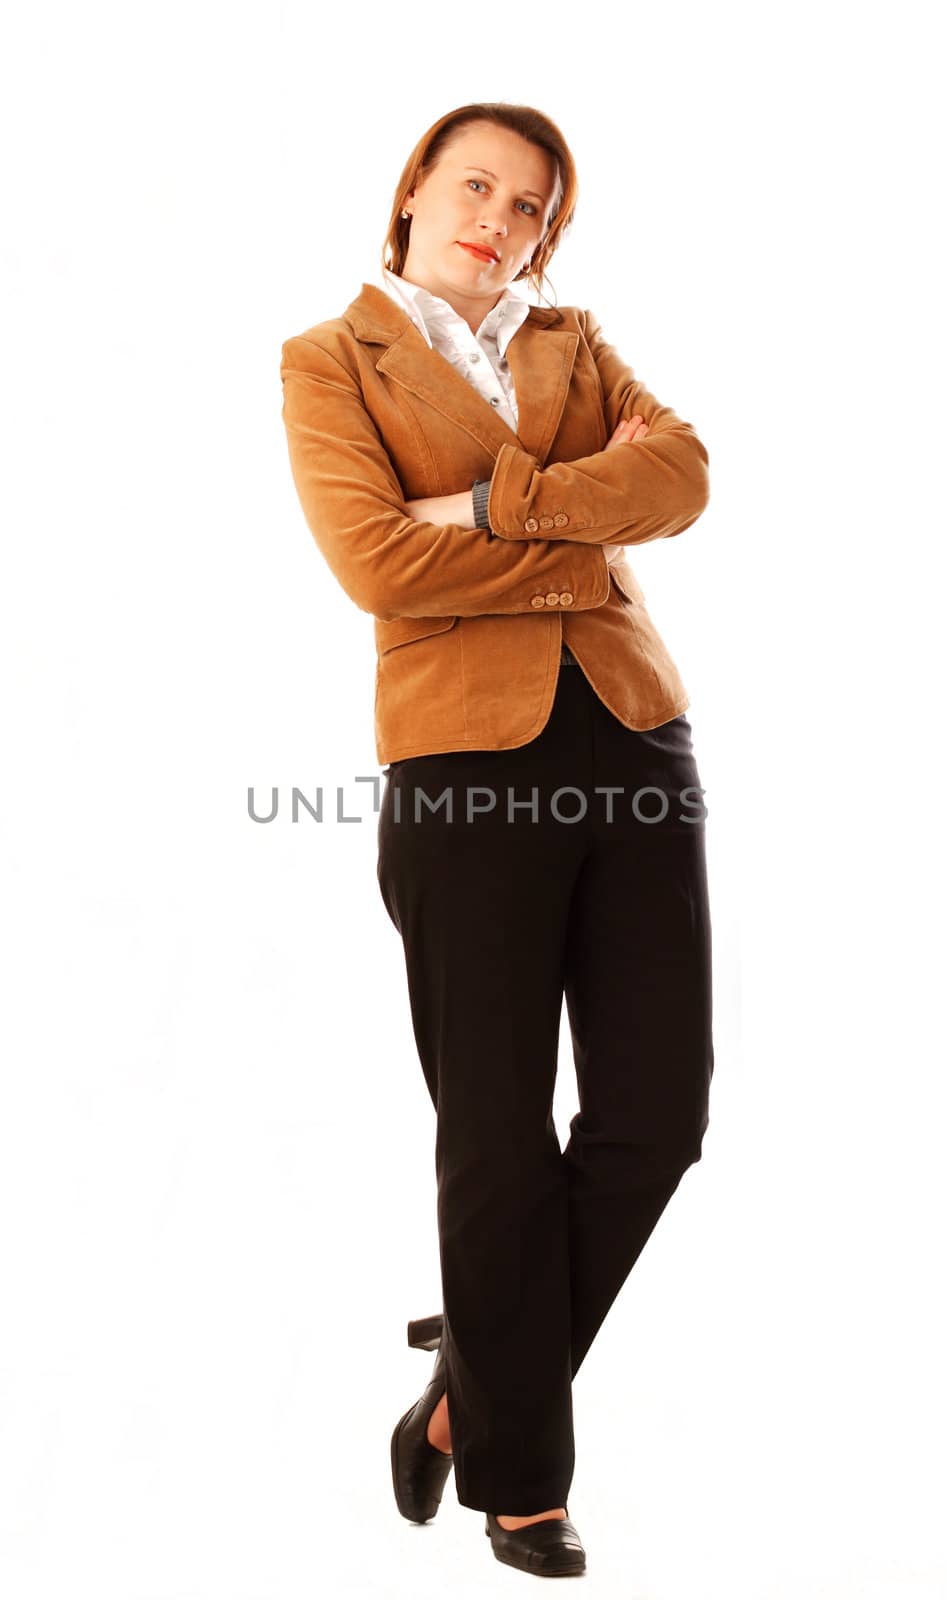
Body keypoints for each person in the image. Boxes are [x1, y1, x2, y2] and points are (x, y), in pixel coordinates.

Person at [280, 101, 715, 1580]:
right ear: (412, 192)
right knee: (499, 1130)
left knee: (660, 1115)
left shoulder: (572, 342)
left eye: (529, 206)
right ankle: (521, 1483)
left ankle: (471, 1383)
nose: (499, 220)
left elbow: (688, 480)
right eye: (477, 185)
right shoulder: (330, 360)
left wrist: (490, 502)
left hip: (637, 735)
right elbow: (373, 560)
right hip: (467, 767)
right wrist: (578, 535)